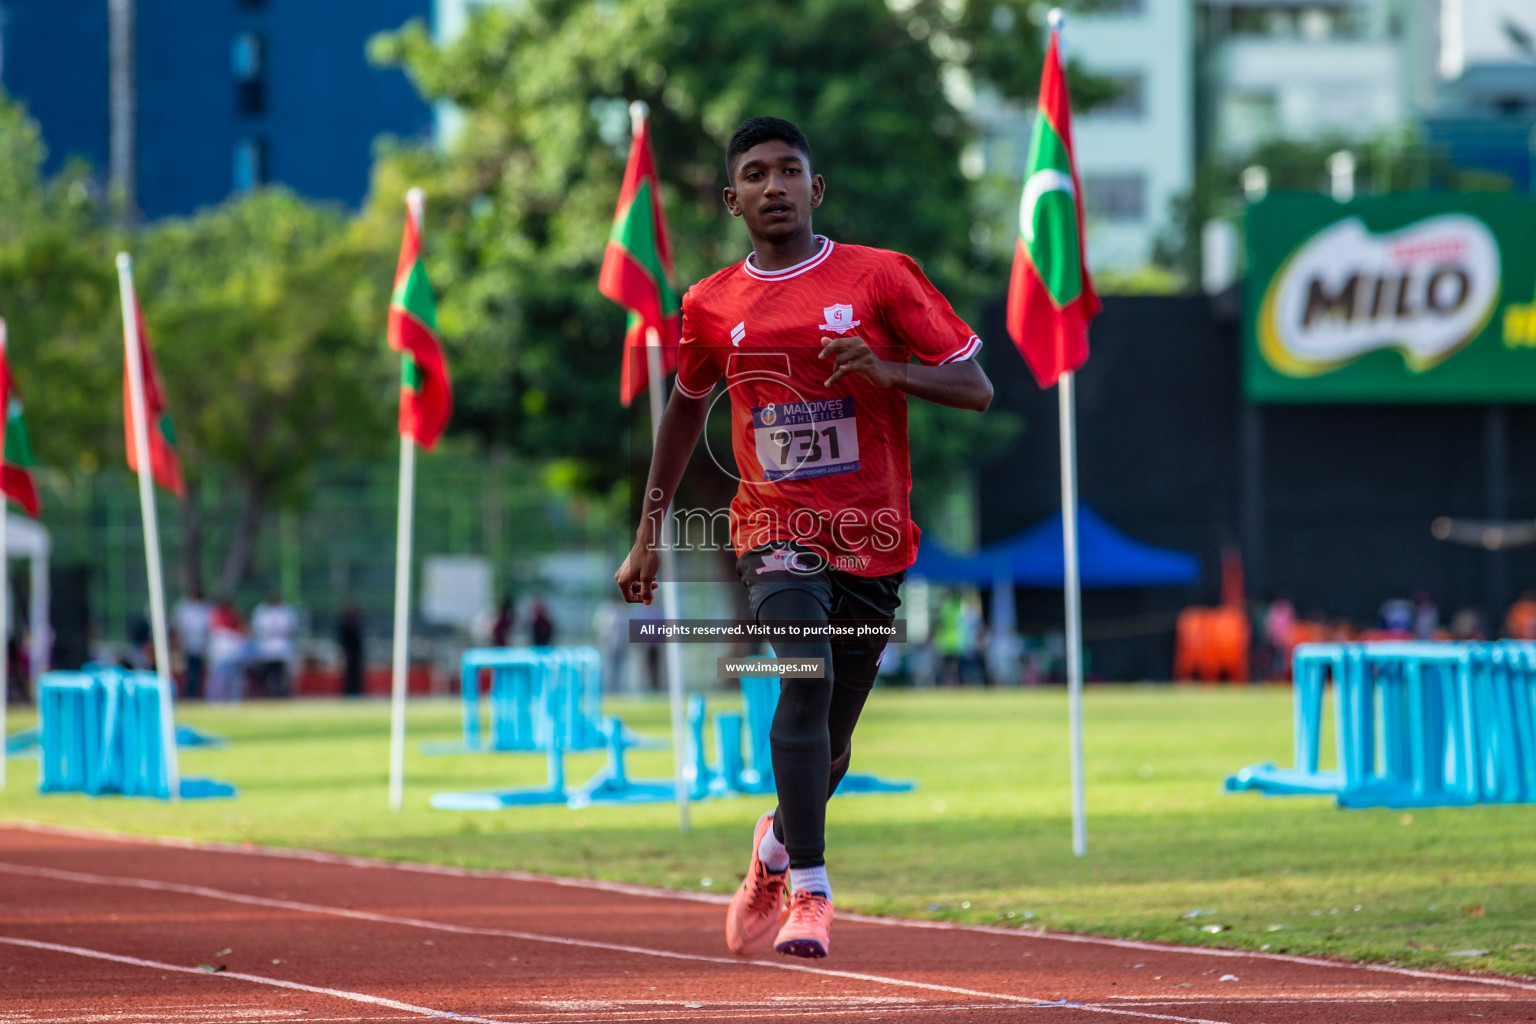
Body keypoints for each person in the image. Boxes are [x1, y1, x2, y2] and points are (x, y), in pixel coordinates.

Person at [614, 117, 992, 960]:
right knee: (804, 678)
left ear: (816, 189)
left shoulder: (882, 278)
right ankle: (812, 894)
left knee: (833, 743)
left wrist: (889, 369)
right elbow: (683, 414)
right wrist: (648, 536)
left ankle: (775, 846)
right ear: (732, 198)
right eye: (756, 173)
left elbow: (975, 385)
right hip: (772, 528)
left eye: (790, 171)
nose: (774, 186)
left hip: (874, 533)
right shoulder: (710, 305)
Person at [250, 592, 298, 697]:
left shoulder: (283, 610)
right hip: (270, 647)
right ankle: (270, 693)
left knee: (280, 673)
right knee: (269, 674)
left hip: (278, 647)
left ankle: (280, 693)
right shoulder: (265, 611)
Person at [173, 587, 212, 699]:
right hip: (188, 643)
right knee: (190, 670)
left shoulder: (204, 608)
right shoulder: (186, 608)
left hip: (201, 644)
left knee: (197, 670)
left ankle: (195, 692)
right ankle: (189, 692)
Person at [206, 602, 248, 703]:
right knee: (220, 680)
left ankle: (232, 699)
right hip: (222, 653)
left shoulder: (232, 621)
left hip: (231, 653)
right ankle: (217, 699)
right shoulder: (217, 619)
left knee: (232, 680)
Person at [338, 604, 364, 697]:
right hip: (350, 652)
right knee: (350, 674)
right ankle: (350, 691)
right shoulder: (346, 625)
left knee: (355, 674)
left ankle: (355, 691)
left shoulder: (355, 624)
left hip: (355, 653)